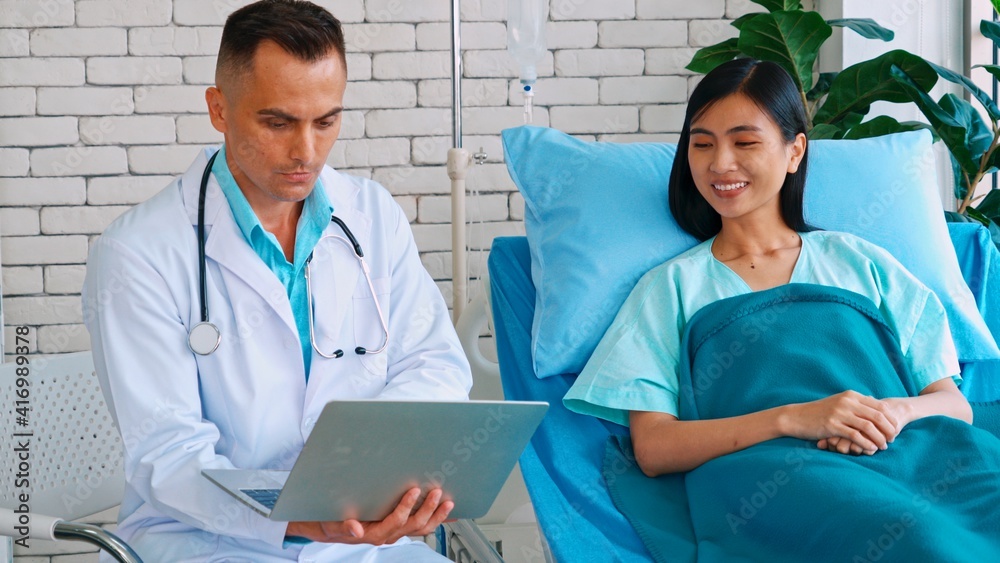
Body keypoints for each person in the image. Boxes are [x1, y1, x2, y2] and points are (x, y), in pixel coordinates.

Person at [82, 1, 471, 561]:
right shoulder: (138, 254)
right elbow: (168, 456)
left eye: (326, 121)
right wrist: (303, 515)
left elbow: (433, 366)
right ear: (219, 109)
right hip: (205, 537)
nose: (305, 152)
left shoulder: (372, 216)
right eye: (277, 122)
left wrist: (376, 481)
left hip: (357, 536)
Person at [563, 58, 973, 475]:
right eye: (702, 144)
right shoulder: (671, 288)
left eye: (744, 143)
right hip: (771, 486)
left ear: (794, 151)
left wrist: (880, 416)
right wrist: (792, 420)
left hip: (903, 461)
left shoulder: (861, 263)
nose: (720, 163)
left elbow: (954, 406)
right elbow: (654, 448)